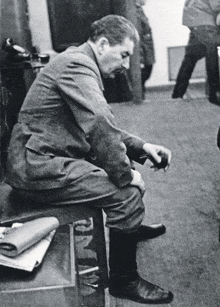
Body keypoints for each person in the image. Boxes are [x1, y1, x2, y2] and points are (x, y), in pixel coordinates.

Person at [5, 15, 173, 304]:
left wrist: (143, 147)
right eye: (123, 55)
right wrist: (125, 176)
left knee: (121, 164)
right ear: (103, 43)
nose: (124, 64)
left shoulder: (78, 60)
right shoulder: (77, 64)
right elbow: (98, 123)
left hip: (45, 157)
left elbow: (99, 126)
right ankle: (123, 280)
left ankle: (128, 228)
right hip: (37, 167)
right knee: (126, 192)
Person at [172, 0, 220, 105]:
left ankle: (177, 93)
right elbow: (216, 5)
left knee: (190, 58)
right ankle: (214, 94)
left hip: (194, 23)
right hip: (205, 23)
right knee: (212, 55)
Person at [136, 0, 155, 97]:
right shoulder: (135, 12)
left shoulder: (139, 10)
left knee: (148, 70)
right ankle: (140, 95)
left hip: (147, 46)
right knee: (145, 73)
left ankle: (141, 94)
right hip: (143, 47)